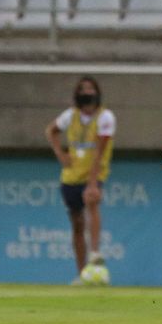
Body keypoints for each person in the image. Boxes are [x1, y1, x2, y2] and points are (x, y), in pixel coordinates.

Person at [46, 75, 116, 281]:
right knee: (77, 223)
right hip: (71, 176)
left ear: (97, 93)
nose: (87, 92)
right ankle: (81, 272)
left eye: (90, 88)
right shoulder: (71, 116)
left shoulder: (105, 117)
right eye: (83, 89)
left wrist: (93, 182)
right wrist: (60, 154)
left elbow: (100, 152)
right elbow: (51, 131)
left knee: (92, 203)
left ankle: (94, 252)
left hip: (93, 173)